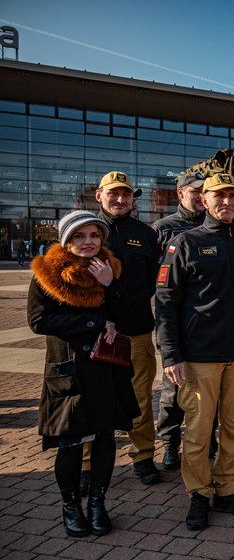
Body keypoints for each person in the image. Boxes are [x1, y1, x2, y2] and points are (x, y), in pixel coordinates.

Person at [156, 172, 234, 531]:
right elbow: (165, 302)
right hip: (198, 358)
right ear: (204, 200)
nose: (226, 202)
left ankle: (227, 488)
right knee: (198, 431)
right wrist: (171, 355)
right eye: (218, 196)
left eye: (232, 196)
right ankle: (198, 494)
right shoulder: (183, 243)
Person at [28, 210, 139, 537]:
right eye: (79, 236)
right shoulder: (47, 275)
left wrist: (110, 285)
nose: (88, 242)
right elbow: (38, 321)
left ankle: (98, 503)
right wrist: (93, 322)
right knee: (71, 442)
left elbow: (128, 316)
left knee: (105, 438)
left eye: (93, 235)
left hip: (106, 369)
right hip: (69, 371)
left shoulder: (110, 269)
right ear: (66, 240)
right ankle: (71, 505)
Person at [94, 171, 160, 487]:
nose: (120, 199)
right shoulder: (85, 231)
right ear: (99, 195)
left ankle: (143, 456)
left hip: (135, 331)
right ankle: (85, 465)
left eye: (126, 194)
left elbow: (151, 284)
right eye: (114, 193)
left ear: (133, 198)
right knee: (93, 399)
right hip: (93, 333)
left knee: (141, 400)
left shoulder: (146, 235)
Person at [151, 171, 206, 470]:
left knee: (208, 389)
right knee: (173, 386)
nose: (199, 196)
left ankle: (207, 441)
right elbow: (154, 282)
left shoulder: (217, 226)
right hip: (173, 320)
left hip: (204, 322)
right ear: (180, 193)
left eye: (202, 191)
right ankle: (171, 442)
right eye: (194, 191)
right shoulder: (162, 229)